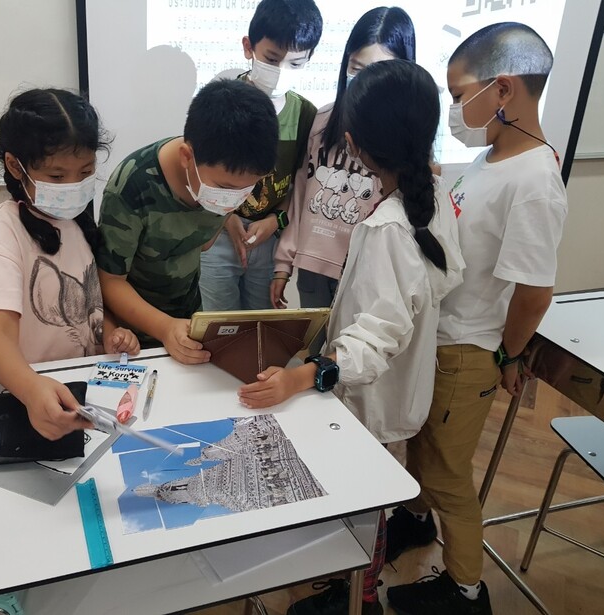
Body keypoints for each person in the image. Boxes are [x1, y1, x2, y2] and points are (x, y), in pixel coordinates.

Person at [238, 59, 465, 615]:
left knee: (364, 509)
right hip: (392, 393)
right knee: (369, 501)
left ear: (357, 144)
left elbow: (377, 335)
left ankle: (355, 597)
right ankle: (351, 587)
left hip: (372, 398)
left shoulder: (390, 226)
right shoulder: (431, 196)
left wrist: (303, 376)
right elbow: (432, 285)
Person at [385, 23, 568, 615]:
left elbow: (534, 292)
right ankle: (415, 521)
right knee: (422, 444)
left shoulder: (535, 181)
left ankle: (466, 589)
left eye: (460, 95)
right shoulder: (490, 158)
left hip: (468, 349)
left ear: (503, 90)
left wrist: (508, 356)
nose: (456, 110)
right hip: (439, 337)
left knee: (448, 475)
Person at [0, 88, 140, 444]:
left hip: (86, 388)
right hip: (33, 393)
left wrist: (110, 332)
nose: (73, 187)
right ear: (16, 166)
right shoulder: (1, 233)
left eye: (85, 172)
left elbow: (88, 303)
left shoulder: (74, 221)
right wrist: (32, 389)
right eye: (58, 177)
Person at [97, 79, 279, 364]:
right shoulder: (132, 186)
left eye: (246, 189)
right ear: (186, 157)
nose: (233, 199)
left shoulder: (222, 180)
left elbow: (203, 244)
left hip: (188, 320)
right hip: (131, 339)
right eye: (226, 188)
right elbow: (109, 282)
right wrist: (165, 328)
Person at [272, 6, 415, 354]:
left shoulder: (404, 140)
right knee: (313, 360)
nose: (364, 81)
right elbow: (302, 196)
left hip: (363, 273)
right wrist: (282, 265)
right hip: (313, 267)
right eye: (357, 68)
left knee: (351, 362)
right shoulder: (323, 120)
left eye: (378, 70)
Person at [198, 0, 321, 311]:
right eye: (272, 59)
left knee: (261, 322)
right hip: (217, 229)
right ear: (248, 47)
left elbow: (299, 184)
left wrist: (274, 221)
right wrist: (227, 219)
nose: (281, 72)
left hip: (268, 236)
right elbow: (200, 170)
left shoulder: (306, 115)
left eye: (295, 64)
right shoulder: (223, 101)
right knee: (219, 322)